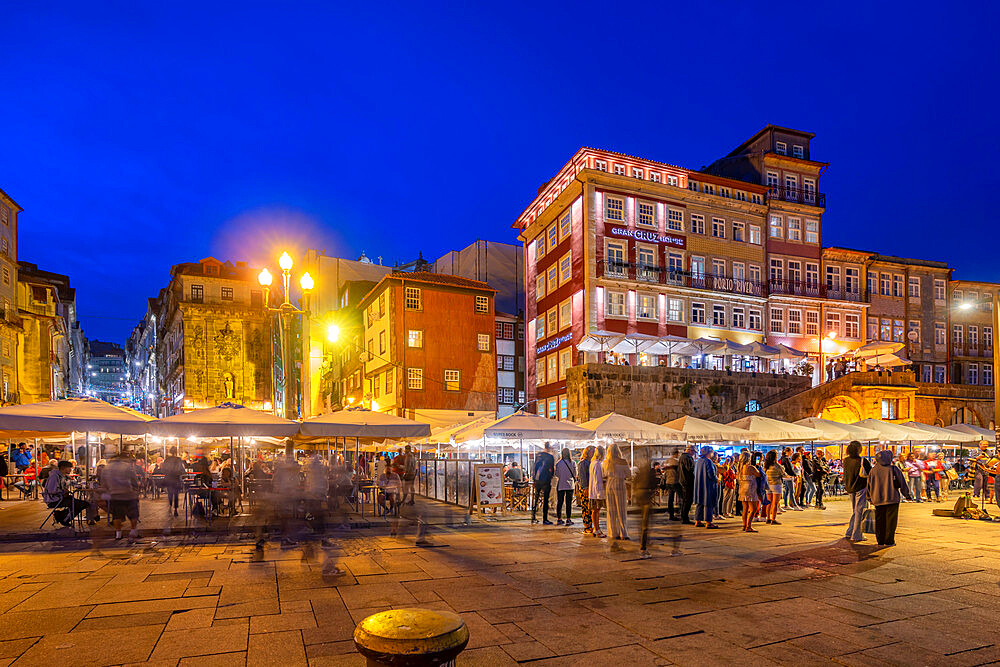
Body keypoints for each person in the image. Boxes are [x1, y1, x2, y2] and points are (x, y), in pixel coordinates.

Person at [868, 449, 913, 546]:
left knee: (880, 521)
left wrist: (869, 498)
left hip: (878, 499)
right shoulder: (893, 469)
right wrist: (907, 495)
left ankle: (880, 540)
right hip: (892, 498)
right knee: (891, 521)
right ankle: (889, 541)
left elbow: (869, 486)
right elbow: (902, 483)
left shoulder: (873, 470)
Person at [104, 453, 141, 541]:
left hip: (114, 494)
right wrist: (136, 489)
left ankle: (118, 534)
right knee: (133, 513)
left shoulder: (107, 467)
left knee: (117, 515)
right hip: (128, 493)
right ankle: (133, 531)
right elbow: (134, 480)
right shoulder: (127, 466)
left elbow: (104, 481)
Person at [42, 460, 86, 528]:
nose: (71, 469)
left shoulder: (62, 476)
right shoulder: (54, 476)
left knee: (82, 504)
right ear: (63, 468)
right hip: (54, 500)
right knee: (80, 504)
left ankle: (60, 515)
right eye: (69, 468)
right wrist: (63, 492)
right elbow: (52, 490)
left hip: (60, 497)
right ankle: (63, 518)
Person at [842, 441, 872, 542]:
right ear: (859, 449)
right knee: (860, 511)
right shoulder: (862, 460)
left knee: (856, 510)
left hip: (850, 487)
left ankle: (850, 531)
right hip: (861, 487)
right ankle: (856, 534)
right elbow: (870, 473)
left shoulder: (846, 460)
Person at [603, 444, 630, 540]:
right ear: (618, 451)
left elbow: (604, 474)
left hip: (609, 484)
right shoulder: (623, 461)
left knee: (611, 509)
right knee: (621, 509)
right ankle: (623, 533)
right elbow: (629, 474)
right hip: (619, 483)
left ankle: (613, 532)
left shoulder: (605, 462)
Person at [633, 452, 656, 558]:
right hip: (646, 495)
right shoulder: (651, 471)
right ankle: (643, 547)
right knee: (645, 523)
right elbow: (654, 484)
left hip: (639, 495)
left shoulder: (639, 471)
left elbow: (634, 483)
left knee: (642, 521)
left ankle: (645, 541)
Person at [692, 445, 719, 529]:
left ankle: (698, 521)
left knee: (700, 503)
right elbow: (711, 475)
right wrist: (717, 479)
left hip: (698, 485)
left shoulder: (698, 461)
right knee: (708, 503)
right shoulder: (708, 461)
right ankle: (708, 522)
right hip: (707, 486)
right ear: (709, 452)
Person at [531, 442, 556, 525]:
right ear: (549, 447)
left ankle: (533, 517)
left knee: (536, 499)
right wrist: (550, 477)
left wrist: (534, 478)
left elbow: (534, 467)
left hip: (537, 480)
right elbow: (552, 470)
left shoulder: (538, 455)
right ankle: (545, 519)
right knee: (545, 500)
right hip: (546, 480)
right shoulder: (550, 457)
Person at [737, 451, 760, 532]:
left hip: (743, 488)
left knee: (745, 508)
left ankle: (744, 525)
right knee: (753, 509)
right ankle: (748, 526)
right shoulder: (750, 467)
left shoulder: (740, 467)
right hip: (751, 488)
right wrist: (758, 466)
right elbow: (759, 474)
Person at [161, 447, 186, 517]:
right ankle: (175, 509)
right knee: (176, 494)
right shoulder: (178, 460)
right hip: (176, 479)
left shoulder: (167, 460)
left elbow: (163, 470)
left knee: (170, 493)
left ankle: (170, 506)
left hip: (168, 479)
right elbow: (182, 470)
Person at [554, 448, 575, 526]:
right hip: (570, 485)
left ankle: (559, 519)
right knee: (568, 503)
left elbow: (556, 474)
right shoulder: (572, 463)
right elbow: (575, 473)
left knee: (560, 502)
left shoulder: (558, 463)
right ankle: (568, 519)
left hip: (561, 484)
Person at [588, 446, 606, 538]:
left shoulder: (592, 463)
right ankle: (597, 529)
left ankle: (596, 529)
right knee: (596, 511)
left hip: (593, 491)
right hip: (596, 491)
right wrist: (600, 494)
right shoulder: (598, 464)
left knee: (595, 511)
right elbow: (598, 479)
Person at [763, 450, 784, 525]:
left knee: (769, 502)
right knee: (775, 503)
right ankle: (773, 519)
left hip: (768, 485)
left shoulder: (766, 466)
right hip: (776, 485)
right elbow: (783, 473)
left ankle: (768, 518)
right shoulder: (777, 466)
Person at [577, 446, 594, 535]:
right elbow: (582, 476)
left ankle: (590, 525)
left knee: (590, 507)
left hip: (590, 487)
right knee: (586, 507)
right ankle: (587, 526)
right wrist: (585, 488)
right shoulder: (583, 463)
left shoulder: (591, 462)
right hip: (585, 487)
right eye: (592, 451)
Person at [677, 445, 696, 525]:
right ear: (690, 450)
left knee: (685, 500)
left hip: (683, 480)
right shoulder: (687, 458)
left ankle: (684, 517)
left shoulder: (682, 457)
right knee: (688, 500)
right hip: (687, 481)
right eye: (694, 452)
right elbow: (690, 468)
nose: (694, 454)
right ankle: (685, 518)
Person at [661, 450, 680, 521]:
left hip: (668, 482)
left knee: (670, 499)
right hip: (675, 482)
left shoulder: (667, 461)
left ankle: (671, 514)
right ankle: (679, 512)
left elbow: (664, 471)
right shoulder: (676, 462)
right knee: (680, 497)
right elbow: (679, 472)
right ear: (676, 454)